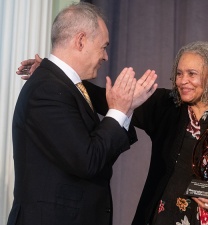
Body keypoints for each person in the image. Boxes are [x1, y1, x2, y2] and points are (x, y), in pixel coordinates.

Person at [17, 41, 208, 224]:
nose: (183, 80)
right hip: (164, 217)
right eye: (179, 73)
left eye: (192, 74)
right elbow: (108, 99)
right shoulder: (167, 105)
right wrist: (63, 76)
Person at [8, 2, 157, 225]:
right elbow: (88, 161)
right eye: (103, 47)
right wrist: (117, 110)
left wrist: (125, 110)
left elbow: (99, 159)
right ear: (80, 40)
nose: (106, 56)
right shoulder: (48, 89)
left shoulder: (64, 87)